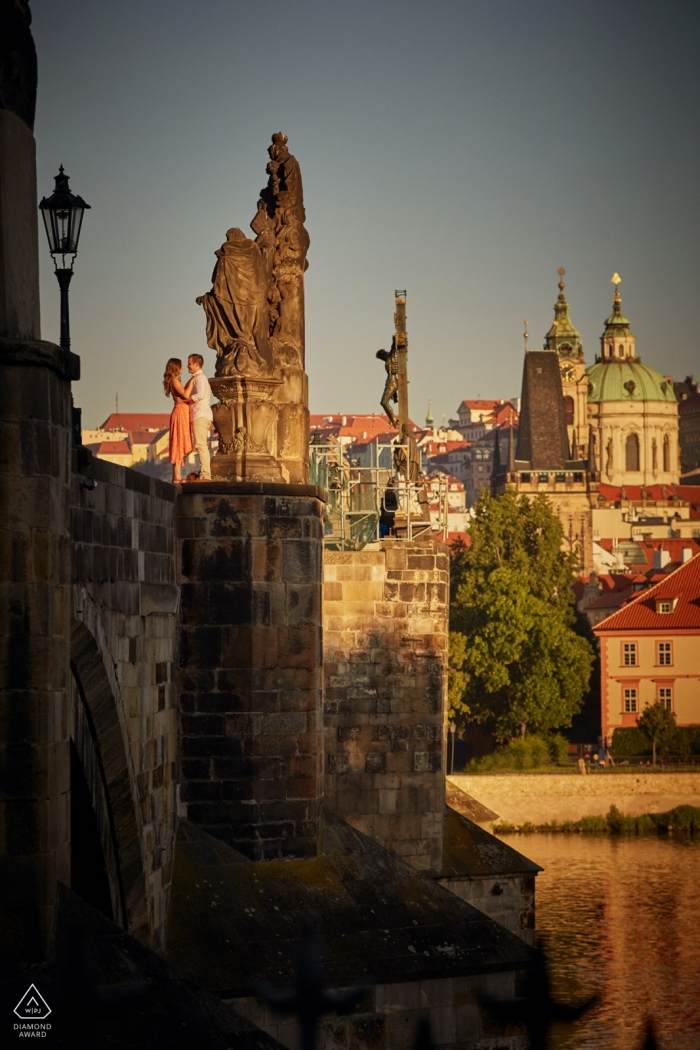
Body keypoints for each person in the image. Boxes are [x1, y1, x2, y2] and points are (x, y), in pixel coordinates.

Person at [163, 358, 193, 484]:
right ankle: (177, 476)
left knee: (180, 442)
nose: (183, 369)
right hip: (180, 413)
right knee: (179, 442)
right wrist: (193, 379)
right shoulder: (175, 380)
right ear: (175, 368)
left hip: (182, 412)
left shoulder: (175, 380)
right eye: (180, 366)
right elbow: (185, 395)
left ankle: (177, 475)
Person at [188, 354, 214, 481]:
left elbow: (201, 394)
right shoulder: (199, 378)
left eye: (190, 363)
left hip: (200, 414)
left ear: (196, 364)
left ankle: (205, 474)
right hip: (202, 414)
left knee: (201, 446)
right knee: (201, 445)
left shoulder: (200, 379)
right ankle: (204, 473)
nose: (188, 365)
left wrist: (187, 399)